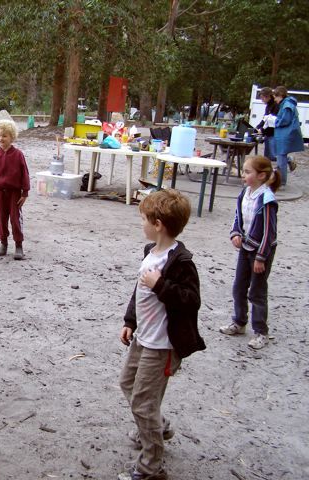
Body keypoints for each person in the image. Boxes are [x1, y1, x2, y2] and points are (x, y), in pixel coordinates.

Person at [119, 189, 206, 480]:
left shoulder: (180, 262)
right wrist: (130, 320)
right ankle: (158, 426)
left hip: (163, 345)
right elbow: (139, 290)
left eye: (144, 219)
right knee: (128, 383)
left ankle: (151, 466)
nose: (140, 224)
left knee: (143, 401)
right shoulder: (150, 252)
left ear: (158, 224)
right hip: (144, 337)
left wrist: (161, 285)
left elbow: (191, 299)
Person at [220, 155, 280, 350]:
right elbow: (238, 215)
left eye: (247, 172)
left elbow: (269, 232)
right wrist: (235, 232)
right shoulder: (245, 193)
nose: (243, 175)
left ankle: (261, 331)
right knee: (239, 286)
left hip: (261, 251)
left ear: (261, 175)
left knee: (257, 291)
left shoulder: (267, 198)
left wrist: (261, 257)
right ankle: (239, 321)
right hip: (245, 247)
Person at [0, 119, 30, 260]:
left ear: (12, 137)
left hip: (15, 193)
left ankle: (19, 245)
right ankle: (3, 243)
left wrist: (25, 192)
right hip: (0, 193)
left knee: (15, 219)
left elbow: (25, 173)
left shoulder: (18, 155)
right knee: (1, 219)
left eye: (5, 136)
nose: (1, 138)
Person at [273, 86, 304, 187]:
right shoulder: (286, 104)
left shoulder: (287, 105)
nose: (275, 100)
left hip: (285, 134)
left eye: (276, 97)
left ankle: (281, 182)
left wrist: (275, 122)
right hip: (284, 134)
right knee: (280, 156)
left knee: (281, 158)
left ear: (281, 95)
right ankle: (281, 179)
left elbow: (285, 120)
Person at [255, 87, 279, 162]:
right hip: (267, 134)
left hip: (273, 133)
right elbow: (265, 118)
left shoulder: (275, 105)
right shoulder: (268, 106)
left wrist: (262, 129)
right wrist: (258, 127)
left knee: (273, 155)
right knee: (267, 157)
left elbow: (271, 121)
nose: (262, 100)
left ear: (267, 96)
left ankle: (288, 159)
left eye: (262, 98)